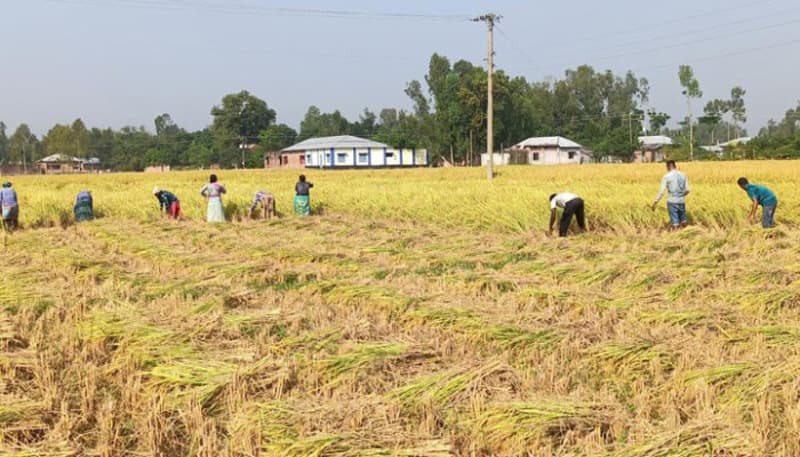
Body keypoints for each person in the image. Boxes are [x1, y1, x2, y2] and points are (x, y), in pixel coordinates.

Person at [650, 160, 690, 229]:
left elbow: (662, 191)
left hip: (672, 201)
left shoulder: (667, 176)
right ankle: (686, 234)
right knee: (683, 221)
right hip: (681, 201)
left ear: (668, 166)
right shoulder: (683, 175)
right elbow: (687, 190)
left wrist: (655, 202)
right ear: (675, 166)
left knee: (675, 223)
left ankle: (676, 237)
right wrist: (680, 195)